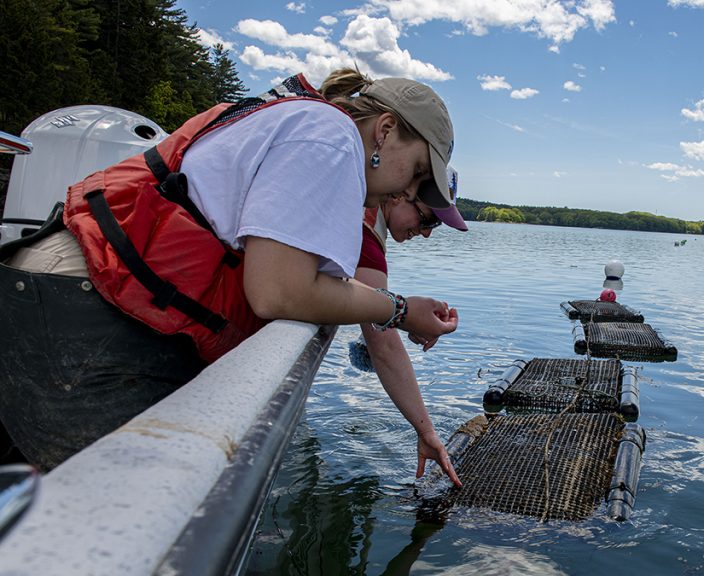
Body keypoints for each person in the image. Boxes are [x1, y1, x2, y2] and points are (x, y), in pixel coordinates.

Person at [0, 68, 462, 479]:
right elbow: (278, 291)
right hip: (82, 309)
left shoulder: (312, 126)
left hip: (73, 294)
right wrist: (400, 310)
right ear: (384, 131)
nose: (409, 189)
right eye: (419, 172)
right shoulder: (332, 135)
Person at [356, 164, 467, 487]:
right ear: (399, 192)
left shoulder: (368, 217)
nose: (429, 231)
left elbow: (373, 308)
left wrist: (405, 320)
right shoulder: (363, 230)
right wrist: (427, 431)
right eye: (428, 218)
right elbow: (383, 344)